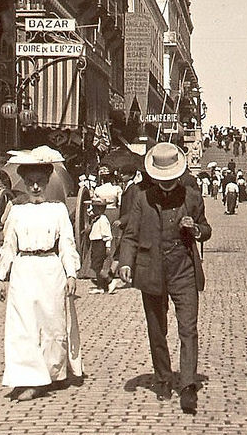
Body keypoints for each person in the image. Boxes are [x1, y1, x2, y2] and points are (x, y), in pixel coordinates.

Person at [118, 142, 212, 414]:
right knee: (157, 329)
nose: (168, 184)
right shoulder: (142, 198)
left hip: (183, 269)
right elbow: (131, 234)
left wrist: (195, 229)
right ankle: (162, 379)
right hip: (152, 269)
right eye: (162, 179)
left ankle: (187, 386)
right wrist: (126, 262)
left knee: (188, 329)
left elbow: (206, 229)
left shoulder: (192, 197)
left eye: (171, 178)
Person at [0, 147, 82, 401]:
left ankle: (51, 374)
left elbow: (67, 243)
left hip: (50, 268)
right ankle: (27, 377)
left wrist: (71, 274)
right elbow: (8, 245)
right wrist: (2, 276)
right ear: (24, 183)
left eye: (40, 183)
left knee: (52, 323)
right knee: (23, 326)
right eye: (30, 183)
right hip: (24, 269)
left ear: (46, 184)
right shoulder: (17, 211)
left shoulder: (56, 210)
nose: (35, 188)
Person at [87, 195, 114, 294]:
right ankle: (102, 285)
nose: (93, 209)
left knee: (97, 265)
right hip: (95, 243)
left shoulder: (103, 219)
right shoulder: (95, 218)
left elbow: (107, 234)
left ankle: (107, 281)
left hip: (100, 243)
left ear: (101, 209)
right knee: (95, 265)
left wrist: (108, 245)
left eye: (95, 208)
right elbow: (88, 212)